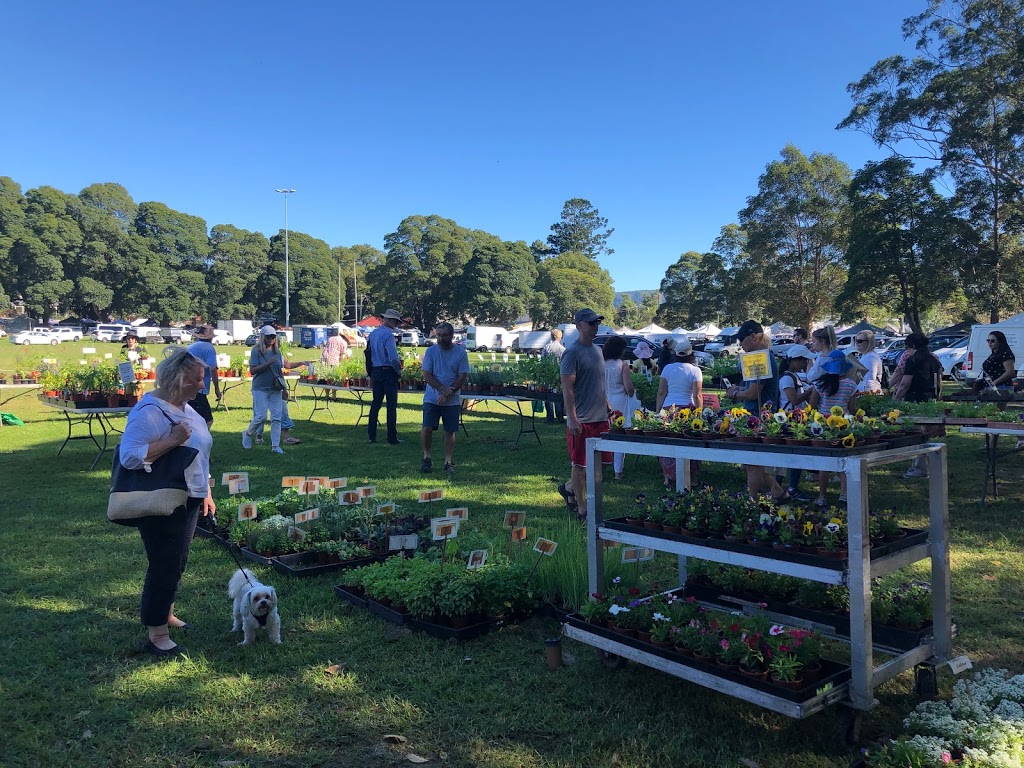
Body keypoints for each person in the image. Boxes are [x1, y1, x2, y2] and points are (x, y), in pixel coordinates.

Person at [118, 347, 215, 657]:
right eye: (197, 379)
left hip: (189, 495)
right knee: (164, 562)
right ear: (177, 378)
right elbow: (129, 456)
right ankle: (156, 633)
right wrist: (171, 440)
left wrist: (207, 491)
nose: (202, 385)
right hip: (161, 499)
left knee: (178, 559)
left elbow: (202, 453)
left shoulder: (188, 408)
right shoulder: (148, 411)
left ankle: (166, 613)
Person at [557, 308, 612, 521]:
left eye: (597, 322)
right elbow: (567, 388)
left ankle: (569, 488)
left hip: (600, 417)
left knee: (601, 463)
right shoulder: (571, 352)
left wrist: (607, 405)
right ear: (579, 326)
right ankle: (582, 508)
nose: (595, 326)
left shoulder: (598, 350)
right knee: (580, 465)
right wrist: (572, 417)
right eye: (591, 323)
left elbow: (599, 382)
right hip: (582, 418)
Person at [724, 320, 787, 501]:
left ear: (754, 337)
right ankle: (777, 491)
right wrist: (739, 389)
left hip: (760, 415)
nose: (740, 344)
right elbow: (750, 389)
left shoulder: (762, 358)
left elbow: (752, 393)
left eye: (742, 339)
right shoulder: (759, 357)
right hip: (756, 413)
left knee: (752, 464)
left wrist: (736, 393)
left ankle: (752, 501)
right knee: (751, 463)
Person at [242, 326, 312, 454]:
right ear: (263, 337)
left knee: (277, 417)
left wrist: (302, 362)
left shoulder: (277, 352)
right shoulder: (256, 351)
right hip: (260, 388)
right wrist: (268, 363)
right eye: (269, 337)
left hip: (275, 388)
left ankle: (275, 446)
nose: (271, 339)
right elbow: (252, 370)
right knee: (261, 416)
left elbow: (286, 366)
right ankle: (247, 434)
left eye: (273, 336)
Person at [809, 349, 860, 506]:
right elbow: (852, 408)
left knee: (824, 464)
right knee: (842, 461)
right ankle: (843, 494)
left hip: (823, 425)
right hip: (842, 425)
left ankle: (822, 496)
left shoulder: (820, 383)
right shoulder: (851, 385)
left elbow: (811, 405)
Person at [420, 322, 469, 474]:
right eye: (438, 335)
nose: (440, 339)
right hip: (432, 398)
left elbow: (462, 376)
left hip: (452, 400)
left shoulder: (460, 353)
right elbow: (427, 375)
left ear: (451, 336)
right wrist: (442, 389)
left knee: (449, 431)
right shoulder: (431, 352)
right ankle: (427, 458)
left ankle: (448, 461)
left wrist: (449, 393)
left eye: (444, 335)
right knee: (427, 428)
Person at [655, 338, 702, 487]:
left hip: (669, 408)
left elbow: (661, 392)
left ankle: (667, 476)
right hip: (688, 409)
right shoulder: (695, 370)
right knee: (691, 443)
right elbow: (697, 395)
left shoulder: (667, 368)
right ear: (691, 353)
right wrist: (699, 414)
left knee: (667, 441)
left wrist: (658, 411)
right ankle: (692, 476)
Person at [895, 332, 943, 479]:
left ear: (913, 346)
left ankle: (919, 468)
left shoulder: (912, 360)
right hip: (929, 399)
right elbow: (939, 382)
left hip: (914, 399)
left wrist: (896, 399)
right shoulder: (934, 359)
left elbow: (905, 383)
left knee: (915, 434)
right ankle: (921, 466)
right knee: (924, 434)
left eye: (907, 347)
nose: (907, 350)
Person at [778, 345, 816, 500]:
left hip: (794, 418)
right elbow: (793, 399)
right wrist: (811, 391)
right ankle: (789, 487)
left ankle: (781, 486)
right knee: (793, 456)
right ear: (794, 361)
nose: (806, 363)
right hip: (789, 420)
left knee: (791, 456)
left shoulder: (793, 376)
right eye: (803, 360)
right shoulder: (787, 378)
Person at [367, 309, 404, 445]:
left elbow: (369, 353)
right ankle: (392, 437)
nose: (396, 323)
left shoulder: (373, 334)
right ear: (387, 320)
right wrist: (398, 371)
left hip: (376, 370)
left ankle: (371, 435)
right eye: (394, 321)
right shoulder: (388, 335)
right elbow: (393, 357)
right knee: (391, 405)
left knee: (375, 403)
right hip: (388, 371)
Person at [603, 336, 636, 481]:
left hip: (603, 401)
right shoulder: (623, 365)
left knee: (602, 434)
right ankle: (618, 471)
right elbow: (629, 388)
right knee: (619, 437)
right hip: (620, 401)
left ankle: (598, 468)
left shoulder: (601, 364)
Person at [185, 325, 221, 428]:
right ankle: (200, 442)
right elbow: (213, 369)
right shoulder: (209, 348)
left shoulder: (190, 347)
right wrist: (217, 389)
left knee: (191, 419)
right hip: (198, 390)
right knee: (207, 420)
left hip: (185, 387)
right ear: (211, 338)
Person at [542, 329, 566, 423]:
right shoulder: (563, 350)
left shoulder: (547, 348)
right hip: (559, 373)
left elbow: (543, 361)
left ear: (551, 336)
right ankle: (560, 416)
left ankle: (550, 417)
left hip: (548, 374)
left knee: (548, 396)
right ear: (560, 337)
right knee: (558, 395)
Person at [855, 330, 884, 394]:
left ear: (869, 342)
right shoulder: (865, 356)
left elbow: (870, 380)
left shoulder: (871, 357)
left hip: (870, 394)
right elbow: (861, 378)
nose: (857, 343)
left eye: (860, 341)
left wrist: (866, 396)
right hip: (862, 393)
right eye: (856, 341)